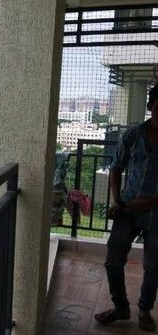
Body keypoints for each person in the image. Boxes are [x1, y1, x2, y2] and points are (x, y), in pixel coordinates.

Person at [94, 84, 158, 331]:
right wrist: (116, 201)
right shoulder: (131, 136)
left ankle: (144, 310)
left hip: (155, 212)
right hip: (128, 208)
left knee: (153, 266)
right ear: (150, 107)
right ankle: (121, 307)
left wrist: (150, 201)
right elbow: (116, 169)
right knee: (113, 260)